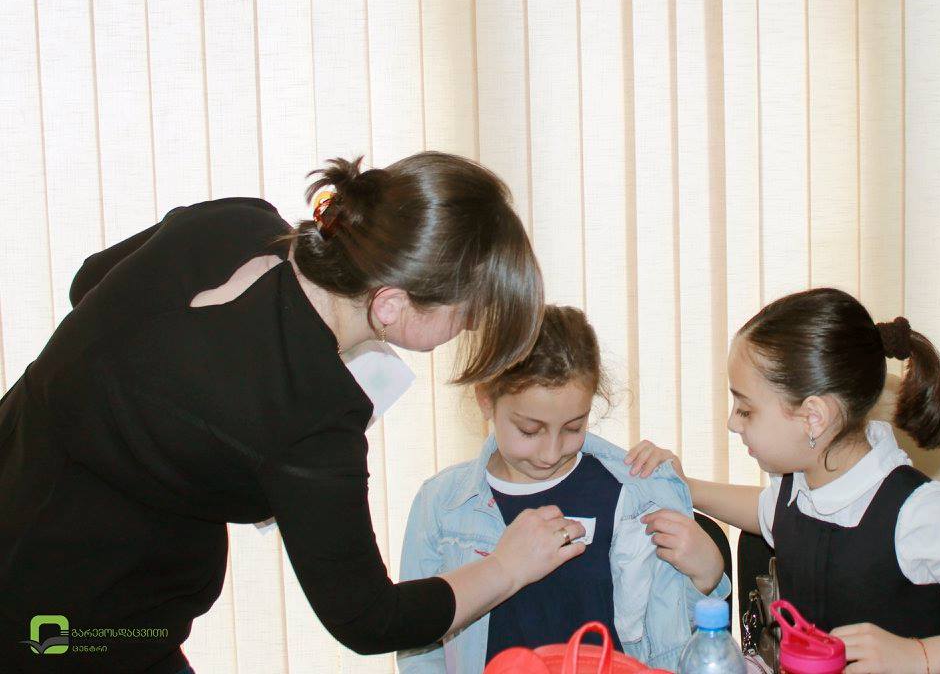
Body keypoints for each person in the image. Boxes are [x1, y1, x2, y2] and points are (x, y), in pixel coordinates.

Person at [0, 153, 588, 673]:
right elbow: (369, 618)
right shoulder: (311, 419)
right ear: (390, 303)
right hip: (73, 620)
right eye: (468, 313)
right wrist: (508, 567)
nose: (471, 326)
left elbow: (90, 282)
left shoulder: (237, 219)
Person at [626, 288, 940, 673]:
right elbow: (766, 512)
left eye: (745, 409)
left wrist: (919, 657)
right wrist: (684, 486)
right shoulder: (804, 487)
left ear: (813, 417)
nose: (732, 423)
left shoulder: (918, 512)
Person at [397, 306, 729, 672]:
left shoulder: (633, 494)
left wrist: (707, 575)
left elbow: (672, 640)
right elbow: (419, 647)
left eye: (573, 427)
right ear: (486, 399)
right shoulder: (441, 505)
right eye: (529, 430)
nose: (551, 453)